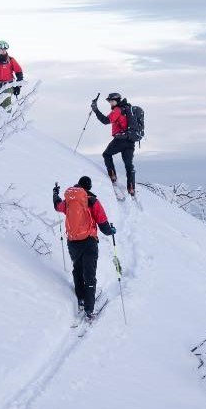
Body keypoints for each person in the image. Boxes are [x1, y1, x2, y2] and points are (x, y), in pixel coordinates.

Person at [53, 176, 116, 322]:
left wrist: (55, 193)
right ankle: (89, 309)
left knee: (78, 269)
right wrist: (111, 230)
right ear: (89, 187)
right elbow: (103, 224)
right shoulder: (92, 201)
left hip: (73, 242)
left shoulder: (69, 200)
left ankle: (81, 298)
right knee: (89, 273)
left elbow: (57, 206)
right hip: (89, 241)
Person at [91, 92, 136, 196]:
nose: (110, 103)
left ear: (117, 101)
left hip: (120, 140)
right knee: (129, 165)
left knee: (106, 154)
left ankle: (112, 176)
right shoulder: (127, 109)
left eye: (112, 101)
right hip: (130, 141)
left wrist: (95, 110)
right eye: (110, 101)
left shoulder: (117, 110)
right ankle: (131, 188)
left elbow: (106, 120)